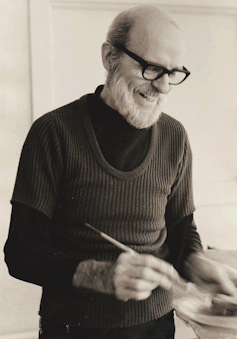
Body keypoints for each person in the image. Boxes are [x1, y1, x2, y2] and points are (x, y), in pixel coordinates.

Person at [4, 5, 237, 339]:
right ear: (109, 56)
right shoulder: (53, 132)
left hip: (157, 326)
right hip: (73, 329)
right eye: (151, 68)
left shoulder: (175, 137)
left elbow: (182, 233)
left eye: (173, 73)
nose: (163, 87)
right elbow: (21, 252)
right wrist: (101, 275)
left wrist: (197, 263)